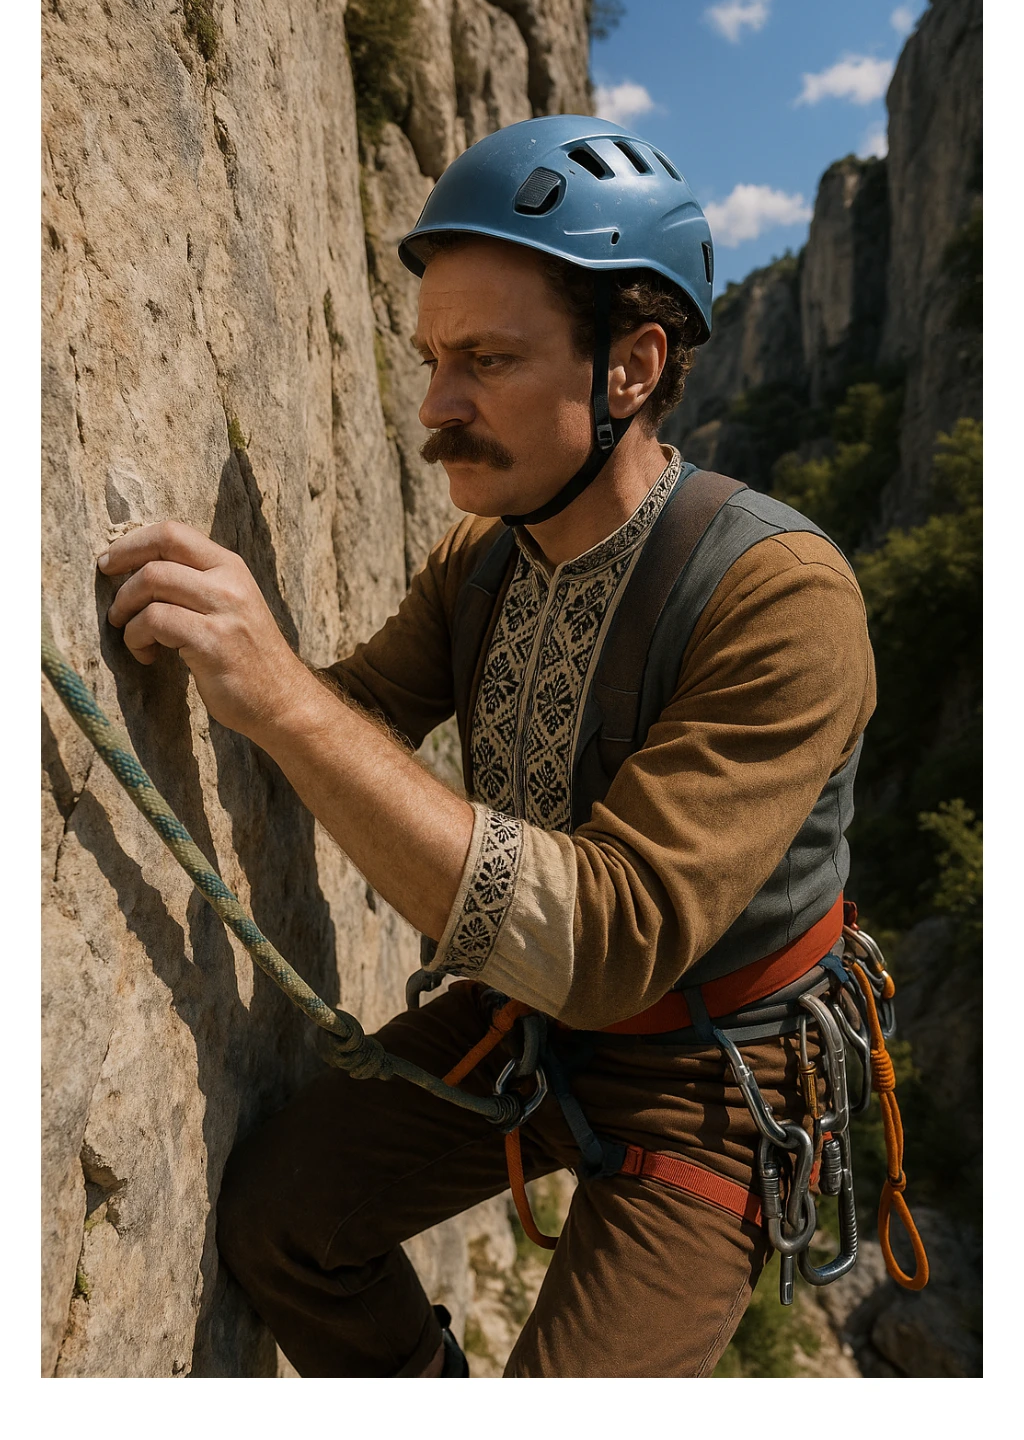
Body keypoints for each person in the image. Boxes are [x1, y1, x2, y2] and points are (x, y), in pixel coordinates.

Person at [98, 116, 875, 1378]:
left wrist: (284, 699)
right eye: (429, 358)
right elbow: (353, 708)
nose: (434, 408)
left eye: (486, 361)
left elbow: (613, 943)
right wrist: (207, 647)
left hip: (713, 1073)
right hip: (533, 1018)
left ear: (632, 365)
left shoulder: (781, 601)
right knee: (284, 1221)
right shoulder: (485, 560)